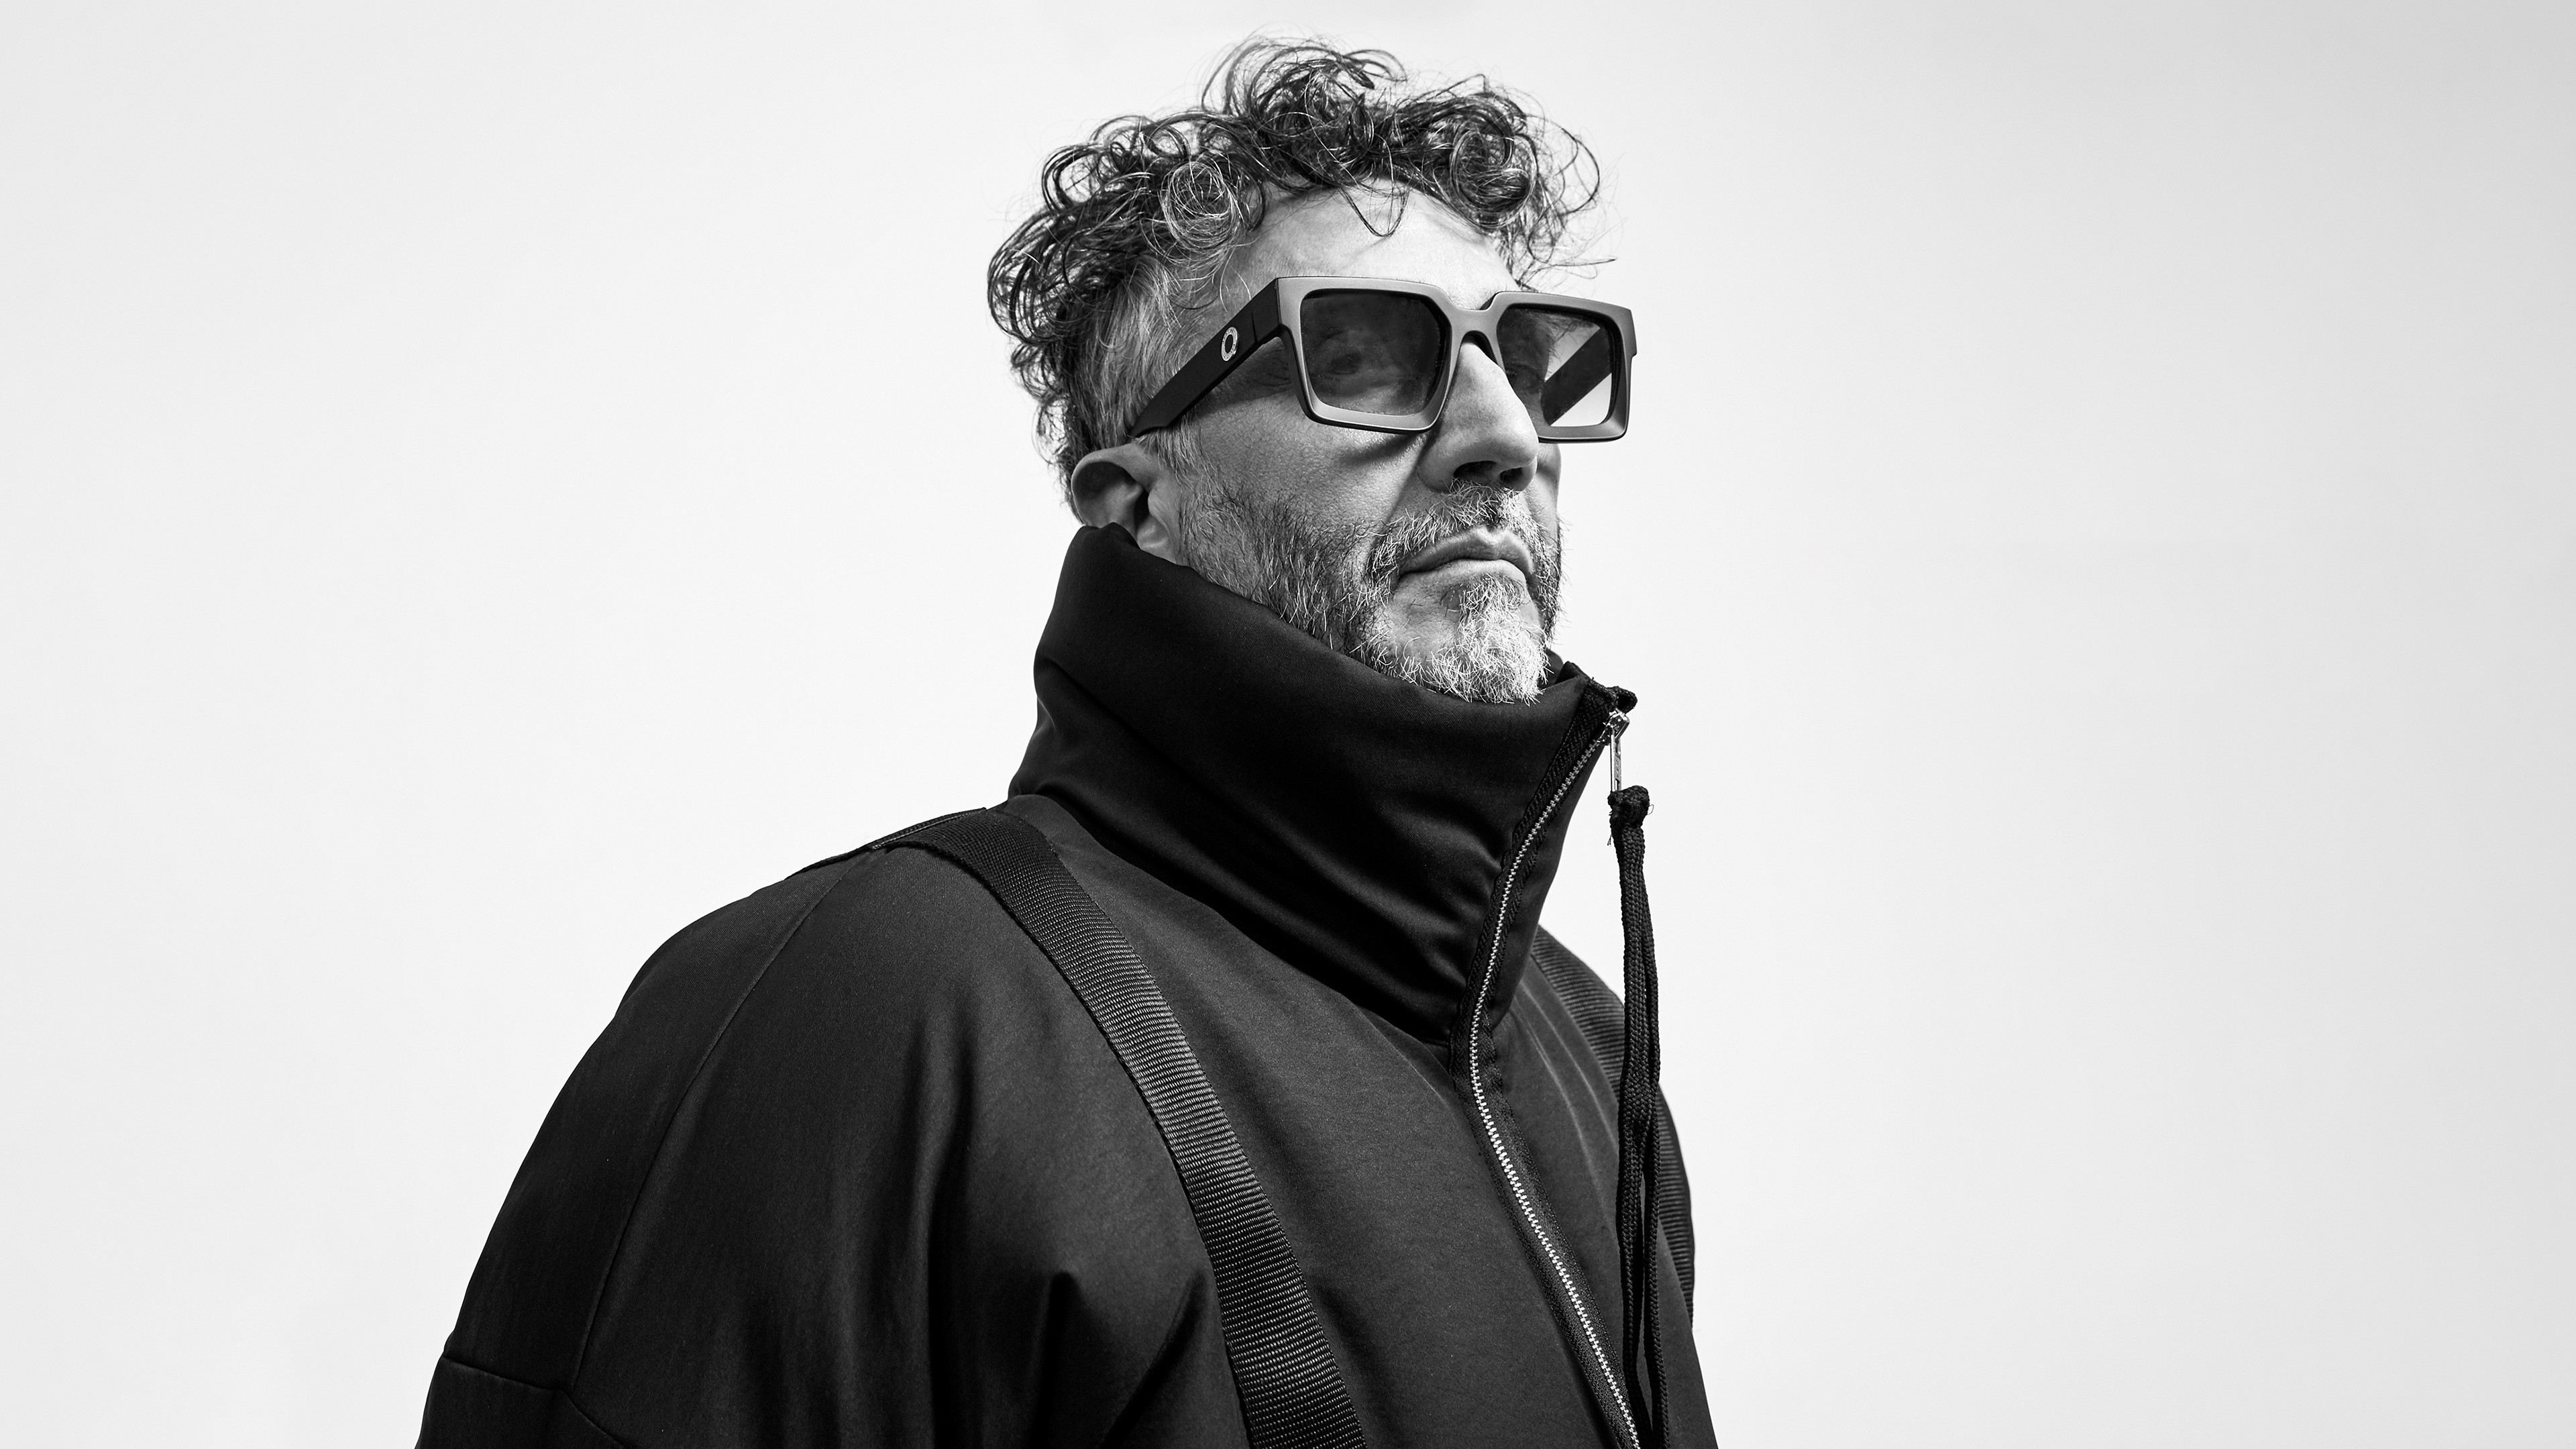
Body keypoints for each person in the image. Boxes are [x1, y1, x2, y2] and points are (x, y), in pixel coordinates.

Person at [417, 40, 1715, 1449]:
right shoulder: (882, 1006)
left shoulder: (1584, 1052)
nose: (1508, 435)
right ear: (1136, 502)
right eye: (1364, 354)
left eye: (1530, 359)